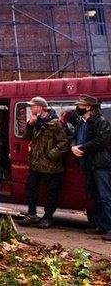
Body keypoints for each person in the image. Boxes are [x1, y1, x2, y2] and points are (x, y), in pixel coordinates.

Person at [18, 96, 69, 228]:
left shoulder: (55, 123)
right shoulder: (36, 122)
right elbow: (26, 137)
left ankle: (48, 217)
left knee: (51, 192)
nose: (31, 109)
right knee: (30, 188)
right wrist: (30, 124)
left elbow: (63, 143)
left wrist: (50, 155)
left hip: (51, 166)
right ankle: (32, 214)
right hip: (35, 164)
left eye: (33, 106)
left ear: (41, 107)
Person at [70, 95, 111, 241]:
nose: (77, 108)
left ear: (88, 107)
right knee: (97, 197)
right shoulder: (82, 123)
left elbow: (101, 141)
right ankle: (102, 226)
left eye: (80, 105)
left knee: (106, 197)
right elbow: (75, 137)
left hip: (101, 165)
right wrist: (73, 147)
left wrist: (81, 148)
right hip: (89, 164)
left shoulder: (101, 122)